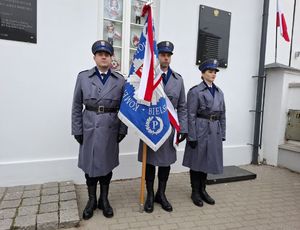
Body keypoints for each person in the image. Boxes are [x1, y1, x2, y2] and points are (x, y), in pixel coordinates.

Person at [71, 40, 127, 219]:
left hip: (111, 127)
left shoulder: (120, 80)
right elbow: (76, 105)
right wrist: (77, 129)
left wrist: (122, 129)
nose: (104, 56)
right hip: (90, 127)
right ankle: (91, 200)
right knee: (90, 165)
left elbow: (125, 108)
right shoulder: (83, 77)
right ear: (94, 57)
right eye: (100, 53)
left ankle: (104, 200)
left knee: (107, 165)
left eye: (107, 54)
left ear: (111, 58)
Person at [138, 41, 188, 213]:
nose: (165, 57)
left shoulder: (178, 79)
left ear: (170, 57)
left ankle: (161, 194)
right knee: (150, 163)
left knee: (165, 163)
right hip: (151, 127)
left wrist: (183, 128)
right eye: (162, 54)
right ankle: (150, 196)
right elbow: (140, 103)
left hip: (169, 128)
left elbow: (182, 105)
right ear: (158, 56)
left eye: (168, 55)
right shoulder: (148, 77)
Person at [183, 58, 226, 207]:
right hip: (200, 129)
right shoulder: (195, 91)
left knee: (208, 161)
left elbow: (223, 114)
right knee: (197, 161)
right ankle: (195, 191)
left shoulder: (219, 92)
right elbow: (190, 115)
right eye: (210, 71)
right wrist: (191, 136)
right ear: (202, 73)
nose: (213, 74)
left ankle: (203, 190)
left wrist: (223, 133)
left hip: (214, 130)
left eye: (215, 72)